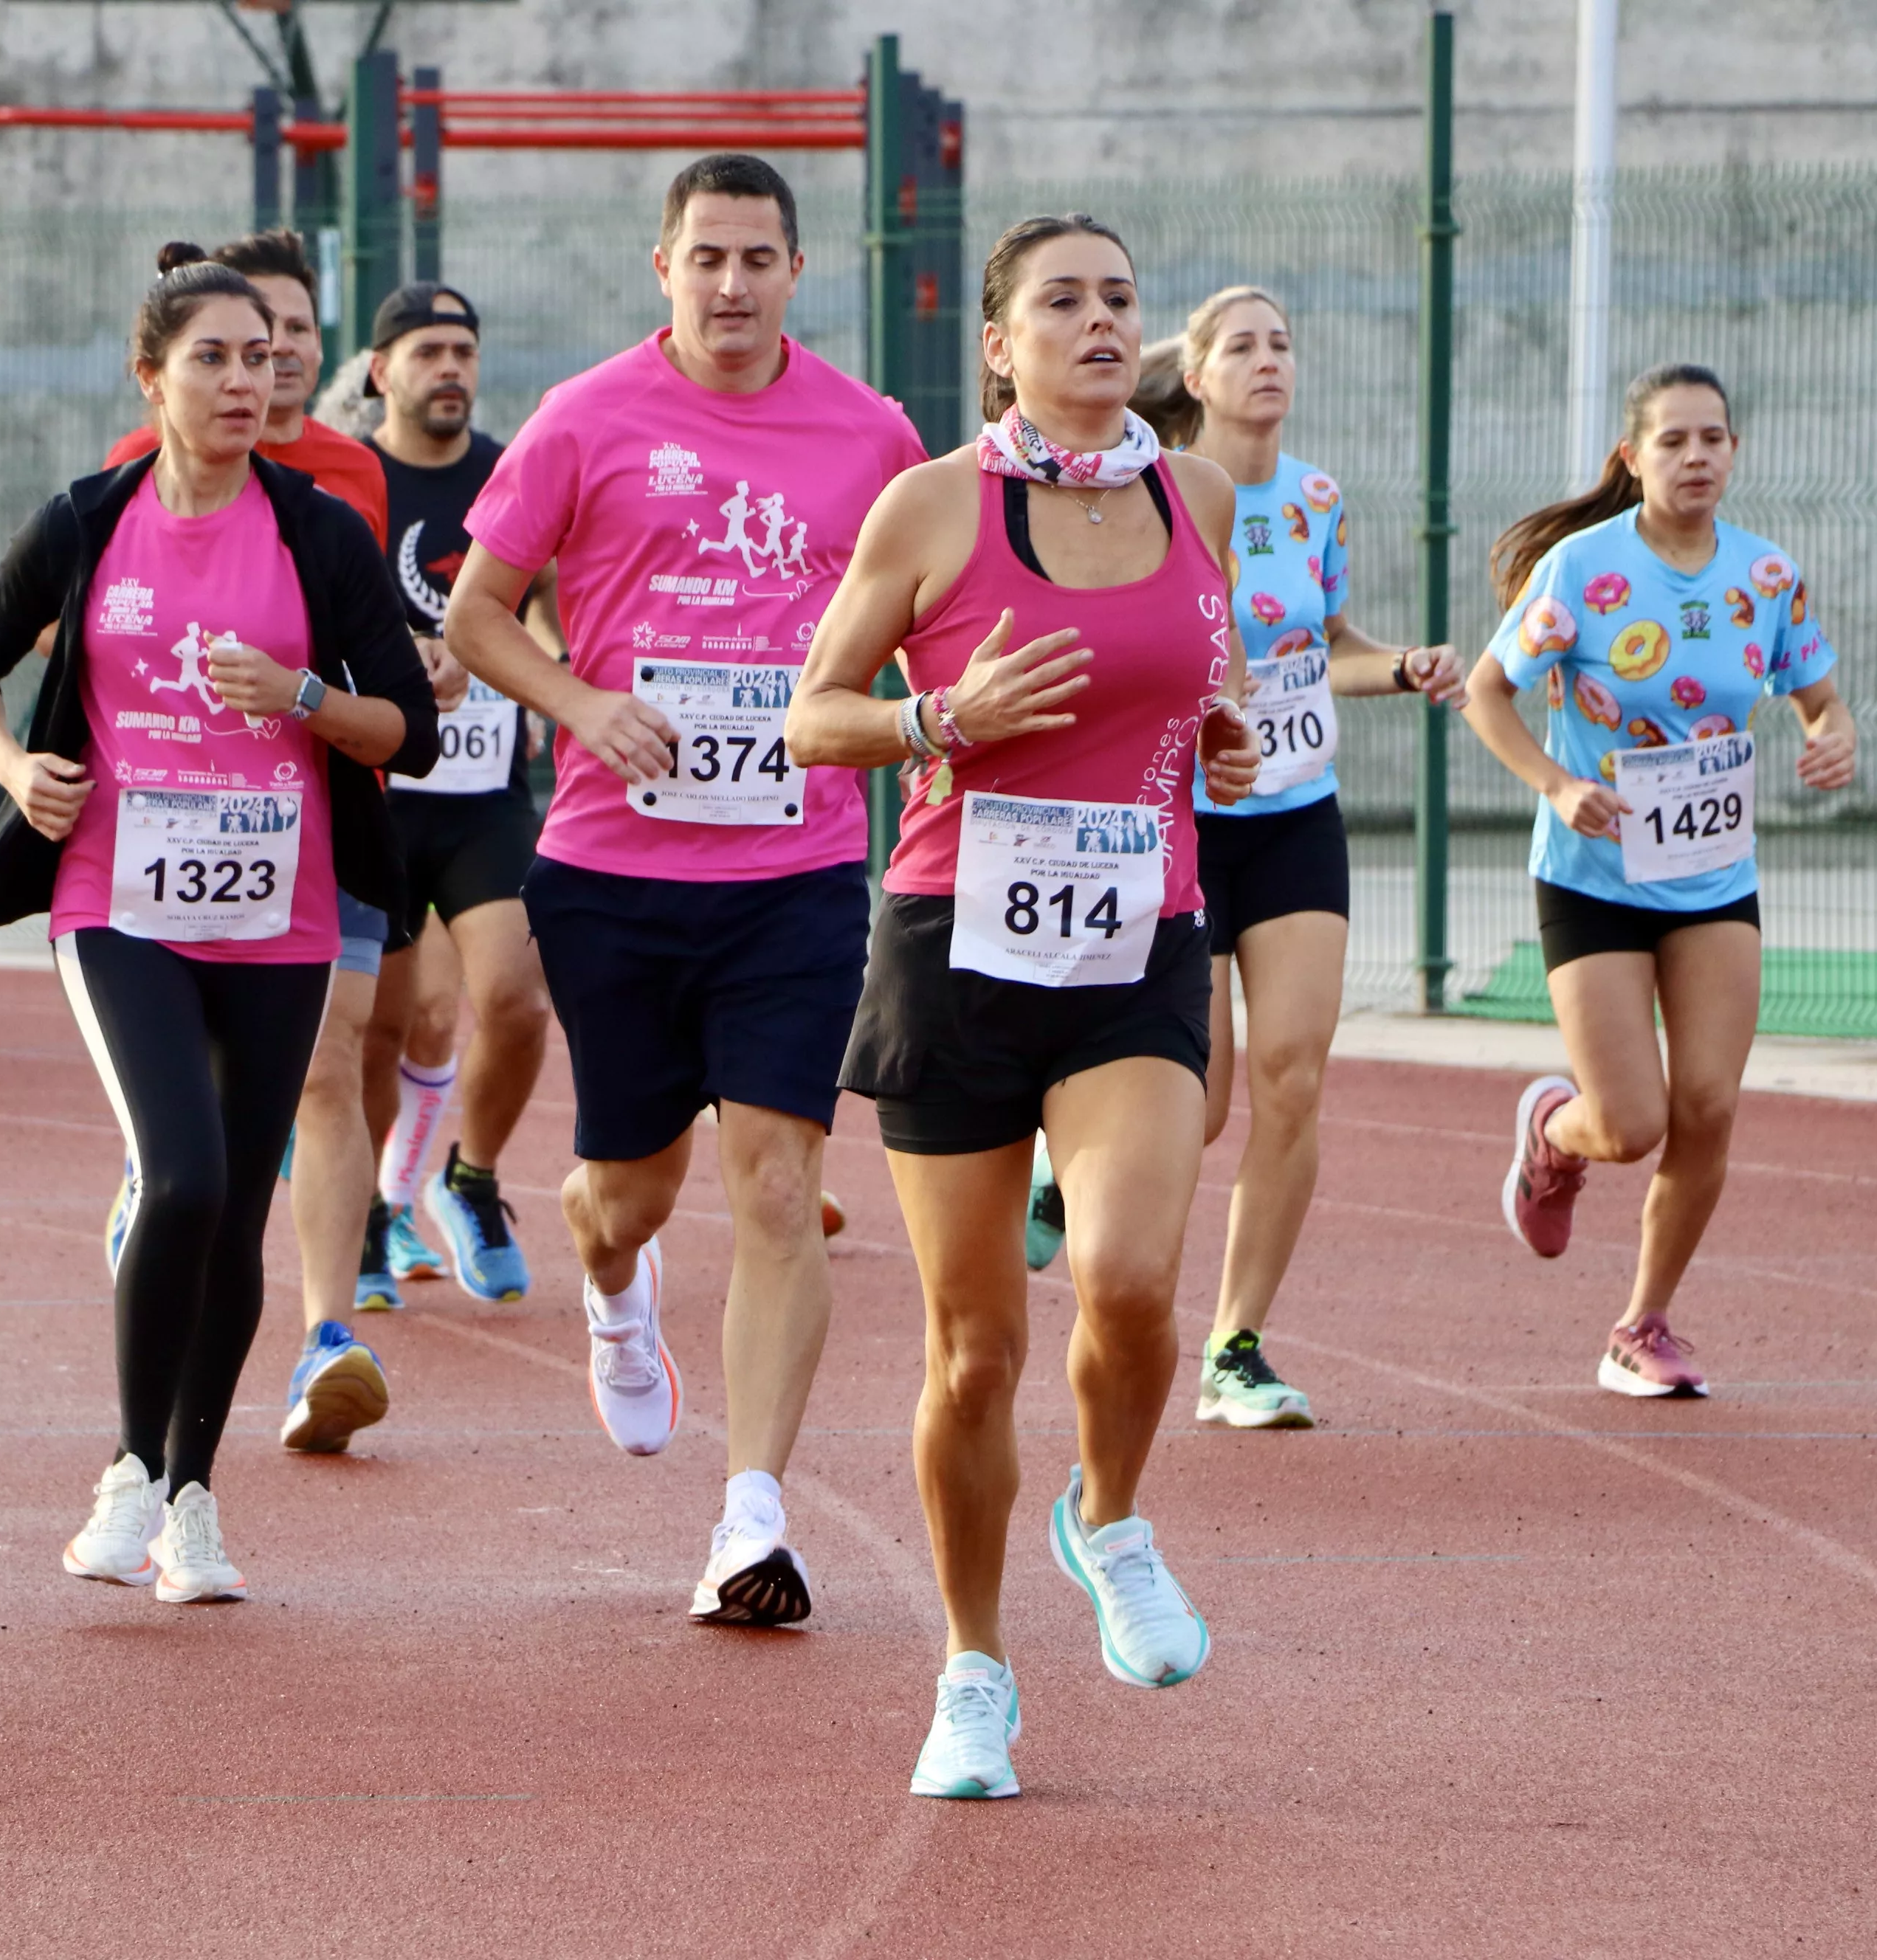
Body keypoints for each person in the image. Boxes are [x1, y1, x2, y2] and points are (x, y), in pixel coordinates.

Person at [789, 213, 1262, 1797]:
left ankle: (1110, 1517)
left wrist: (1231, 743)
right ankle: (972, 1669)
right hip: (957, 943)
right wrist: (939, 712)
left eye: (1122, 298)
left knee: (1129, 1282)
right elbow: (812, 716)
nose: (1100, 321)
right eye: (1062, 301)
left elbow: (1217, 678)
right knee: (975, 1349)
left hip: (1140, 940)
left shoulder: (1197, 492)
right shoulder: (934, 504)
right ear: (999, 342)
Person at [445, 154, 927, 1626]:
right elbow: (475, 613)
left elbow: (931, 623)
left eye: (758, 257)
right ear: (663, 268)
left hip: (795, 871)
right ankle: (612, 1289)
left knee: (780, 1177)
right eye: (705, 256)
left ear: (798, 271)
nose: (732, 283)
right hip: (610, 871)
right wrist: (581, 704)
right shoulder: (587, 418)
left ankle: (750, 1514)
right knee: (623, 1194)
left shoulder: (873, 435)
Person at [0, 246, 436, 1601]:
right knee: (187, 1175)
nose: (243, 379)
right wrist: (11, 768)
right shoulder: (89, 521)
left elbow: (411, 725)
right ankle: (128, 1469)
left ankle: (195, 1497)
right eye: (210, 357)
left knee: (232, 1221)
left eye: (263, 356)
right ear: (148, 375)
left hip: (280, 908)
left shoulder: (316, 533)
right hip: (117, 901)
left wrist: (302, 696)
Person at [1036, 288, 1470, 1429]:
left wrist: (1405, 666)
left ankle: (1235, 1345)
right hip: (1176, 817)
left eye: (1283, 342)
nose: (1269, 361)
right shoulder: (1157, 492)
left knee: (1293, 1073)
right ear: (1199, 376)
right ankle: (1061, 1165)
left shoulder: (1318, 498)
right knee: (1207, 1099)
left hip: (1293, 815)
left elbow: (1325, 647)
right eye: (1243, 346)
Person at [1458, 362, 1854, 1398]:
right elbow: (1489, 695)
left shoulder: (1766, 577)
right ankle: (1552, 1132)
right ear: (1633, 459)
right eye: (1673, 442)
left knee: (1710, 1105)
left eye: (1713, 440)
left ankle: (1642, 1323)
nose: (1696, 458)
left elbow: (1819, 697)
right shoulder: (1585, 571)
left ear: (1735, 453)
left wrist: (1832, 736)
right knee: (1631, 1125)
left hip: (1712, 873)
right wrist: (1554, 783)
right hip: (1594, 869)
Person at [92, 231, 416, 1458]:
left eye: (285, 342)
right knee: (202, 1136)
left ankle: (328, 1331)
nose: (263, 367)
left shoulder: (348, 476)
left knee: (332, 1066)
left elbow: (363, 649)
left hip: (325, 809)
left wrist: (376, 679)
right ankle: (160, 1182)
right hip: (171, 832)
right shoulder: (129, 476)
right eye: (235, 345)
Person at [347, 281, 558, 1316]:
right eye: (428, 351)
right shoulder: (353, 481)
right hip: (382, 798)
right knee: (389, 1028)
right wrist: (403, 662)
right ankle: (367, 1219)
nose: (451, 369)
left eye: (464, 350)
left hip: (484, 797)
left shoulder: (511, 474)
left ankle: (469, 1181)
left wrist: (541, 674)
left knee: (517, 1000)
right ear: (382, 370)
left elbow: (552, 608)